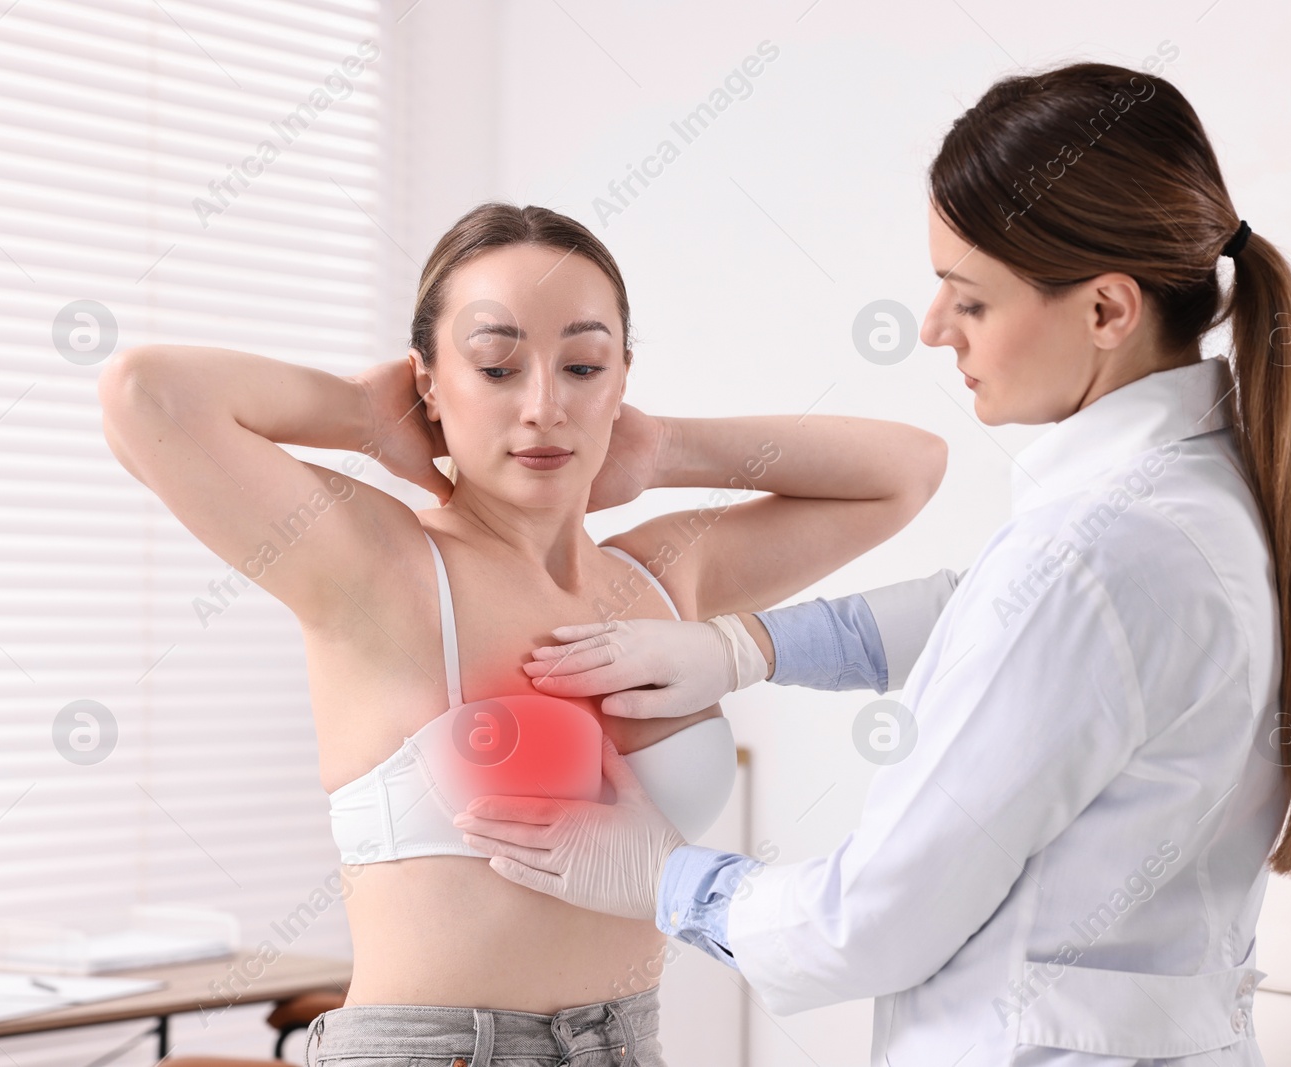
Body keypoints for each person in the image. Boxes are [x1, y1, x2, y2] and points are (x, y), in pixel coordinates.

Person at [453, 62, 1291, 1066]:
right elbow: (995, 616)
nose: (933, 328)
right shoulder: (1196, 503)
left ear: (1107, 311)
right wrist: (746, 646)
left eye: (968, 300)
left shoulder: (1091, 555)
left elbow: (867, 924)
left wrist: (668, 878)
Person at [95, 202, 947, 1067]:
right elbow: (147, 394)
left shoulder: (666, 574)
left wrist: (662, 451)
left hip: (630, 1043)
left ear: (621, 377)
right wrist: (360, 412)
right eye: (497, 367)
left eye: (582, 365)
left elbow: (907, 471)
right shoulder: (377, 563)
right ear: (429, 380)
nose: (544, 406)